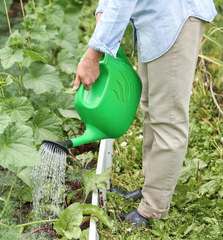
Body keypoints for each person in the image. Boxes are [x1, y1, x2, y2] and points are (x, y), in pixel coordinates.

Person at [73, 0, 217, 227]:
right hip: (155, 17)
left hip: (174, 19)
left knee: (167, 118)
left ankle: (153, 209)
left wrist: (93, 55)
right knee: (152, 105)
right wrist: (102, 10)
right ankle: (153, 189)